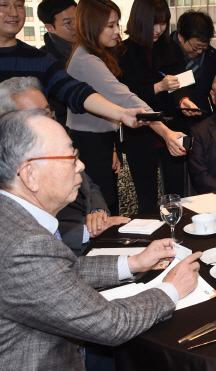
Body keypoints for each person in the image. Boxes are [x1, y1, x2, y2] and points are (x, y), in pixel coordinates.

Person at [0, 108, 203, 371]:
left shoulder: (14, 218)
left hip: (58, 350)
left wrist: (133, 262)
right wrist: (172, 288)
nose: (81, 166)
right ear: (30, 175)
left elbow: (60, 273)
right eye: (71, 157)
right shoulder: (24, 245)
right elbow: (112, 324)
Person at [66, 0, 187, 215]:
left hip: (99, 140)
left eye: (116, 24)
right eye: (110, 26)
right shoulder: (88, 60)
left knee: (105, 206)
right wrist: (166, 132)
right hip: (92, 144)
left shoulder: (92, 54)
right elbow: (128, 99)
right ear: (92, 25)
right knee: (100, 210)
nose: (116, 31)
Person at [0, 76, 130, 255]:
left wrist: (97, 210)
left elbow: (88, 184)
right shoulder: (11, 167)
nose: (49, 119)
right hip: (68, 248)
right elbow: (32, 237)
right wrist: (88, 231)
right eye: (36, 115)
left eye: (47, 111)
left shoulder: (54, 143)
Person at [0, 0, 145, 131]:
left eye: (19, 5)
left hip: (24, 150)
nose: (14, 13)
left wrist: (122, 113)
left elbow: (75, 91)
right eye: (4, 5)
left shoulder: (41, 59)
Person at [118, 0, 200, 213]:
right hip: (140, 134)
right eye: (153, 23)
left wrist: (184, 101)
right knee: (146, 198)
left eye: (163, 23)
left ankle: (177, 234)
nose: (158, 29)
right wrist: (158, 87)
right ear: (139, 20)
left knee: (176, 194)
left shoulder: (170, 47)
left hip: (173, 128)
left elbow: (179, 83)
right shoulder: (123, 51)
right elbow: (124, 96)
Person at [172, 10, 216, 120]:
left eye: (204, 47)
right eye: (196, 47)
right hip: (173, 119)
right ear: (181, 37)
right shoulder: (166, 52)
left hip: (202, 118)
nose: (199, 51)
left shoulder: (210, 56)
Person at [37, 0, 77, 127]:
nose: (76, 27)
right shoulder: (43, 61)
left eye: (79, 20)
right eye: (68, 23)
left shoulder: (94, 51)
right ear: (50, 28)